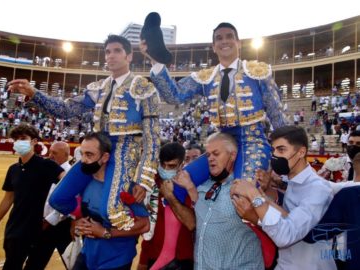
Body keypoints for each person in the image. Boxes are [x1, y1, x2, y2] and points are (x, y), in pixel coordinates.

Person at [140, 21, 289, 268]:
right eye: (219, 38)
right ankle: (170, 250)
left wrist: (280, 157)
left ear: (238, 42)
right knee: (176, 187)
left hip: (253, 141)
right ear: (213, 46)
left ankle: (267, 257)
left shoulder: (257, 71)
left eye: (229, 36)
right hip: (221, 143)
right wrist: (156, 61)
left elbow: (277, 114)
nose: (224, 41)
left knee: (243, 198)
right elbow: (174, 95)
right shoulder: (206, 77)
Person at [8, 34, 160, 231]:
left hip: (124, 152)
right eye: (107, 52)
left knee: (112, 211)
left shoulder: (144, 88)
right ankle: (89, 220)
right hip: (94, 151)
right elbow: (65, 110)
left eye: (117, 51)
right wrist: (34, 93)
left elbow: (152, 137)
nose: (111, 56)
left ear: (129, 56)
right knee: (58, 199)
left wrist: (144, 180)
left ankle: (122, 230)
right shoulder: (98, 88)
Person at [230, 125, 335, 270]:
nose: (275, 156)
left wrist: (253, 195)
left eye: (281, 150)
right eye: (273, 150)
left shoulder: (317, 189)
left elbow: (286, 235)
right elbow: (288, 216)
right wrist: (260, 193)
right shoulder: (293, 181)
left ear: (301, 152)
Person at [52, 132, 150, 269]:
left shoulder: (128, 187)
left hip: (116, 260)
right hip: (88, 254)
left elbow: (145, 225)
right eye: (82, 154)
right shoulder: (84, 182)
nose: (84, 160)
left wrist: (106, 232)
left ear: (105, 157)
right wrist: (78, 220)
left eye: (89, 155)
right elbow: (81, 208)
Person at [181, 132, 264, 269]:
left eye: (216, 154)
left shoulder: (248, 187)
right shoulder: (202, 186)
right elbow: (202, 212)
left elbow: (270, 223)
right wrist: (190, 187)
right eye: (208, 155)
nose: (210, 158)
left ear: (232, 155)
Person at [0, 124, 65, 270]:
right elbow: (8, 199)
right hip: (16, 228)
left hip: (40, 229)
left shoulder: (47, 165)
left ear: (34, 141)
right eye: (16, 139)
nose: (19, 142)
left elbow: (68, 184)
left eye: (23, 138)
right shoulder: (13, 170)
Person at [138, 142, 198, 270]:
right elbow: (149, 225)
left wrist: (169, 196)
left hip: (183, 259)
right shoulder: (152, 184)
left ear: (181, 165)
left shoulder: (190, 186)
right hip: (154, 255)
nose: (165, 169)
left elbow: (191, 223)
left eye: (171, 166)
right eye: (162, 165)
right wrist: (143, 260)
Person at [23, 141, 73, 269]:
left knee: (73, 263)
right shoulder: (46, 170)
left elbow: (70, 200)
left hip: (63, 226)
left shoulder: (71, 174)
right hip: (43, 224)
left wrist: (49, 220)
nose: (50, 155)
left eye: (54, 153)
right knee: (34, 263)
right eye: (50, 151)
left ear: (66, 155)